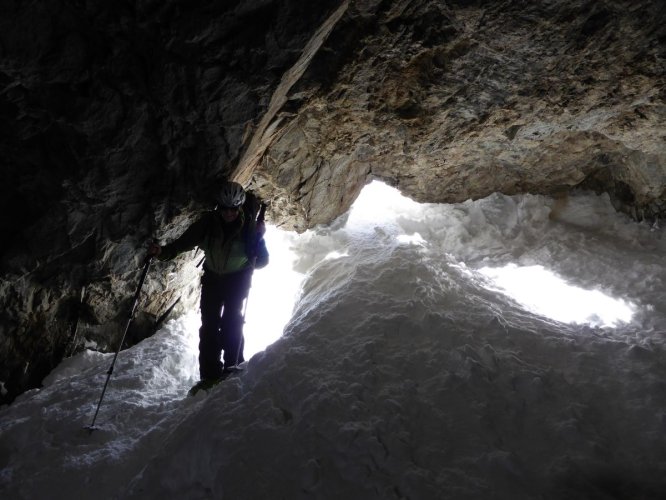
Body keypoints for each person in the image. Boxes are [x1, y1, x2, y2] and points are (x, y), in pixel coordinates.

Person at [148, 181, 268, 386]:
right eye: (224, 208)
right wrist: (163, 252)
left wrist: (257, 242)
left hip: (237, 281)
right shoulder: (208, 224)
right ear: (218, 206)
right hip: (213, 279)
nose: (228, 213)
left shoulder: (249, 228)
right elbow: (183, 243)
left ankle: (234, 365)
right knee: (209, 326)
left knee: (232, 322)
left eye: (233, 209)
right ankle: (210, 375)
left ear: (239, 208)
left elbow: (263, 261)